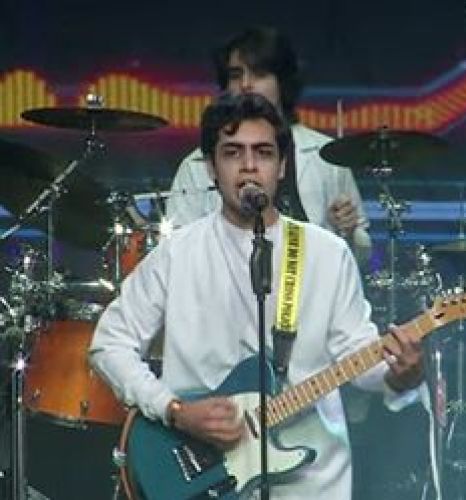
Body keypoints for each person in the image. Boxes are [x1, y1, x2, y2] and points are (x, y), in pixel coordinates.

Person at [89, 93, 425, 500]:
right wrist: (174, 410)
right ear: (211, 167)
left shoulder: (326, 253)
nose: (249, 166)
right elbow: (109, 344)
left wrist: (399, 374)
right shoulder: (177, 254)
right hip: (206, 474)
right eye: (233, 153)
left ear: (281, 166)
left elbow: (357, 352)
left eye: (263, 153)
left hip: (313, 480)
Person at [166, 26, 372, 264]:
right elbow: (175, 253)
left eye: (259, 74)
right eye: (236, 75)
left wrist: (349, 233)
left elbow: (363, 256)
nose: (245, 84)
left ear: (281, 82)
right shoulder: (196, 166)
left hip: (310, 283)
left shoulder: (328, 156)